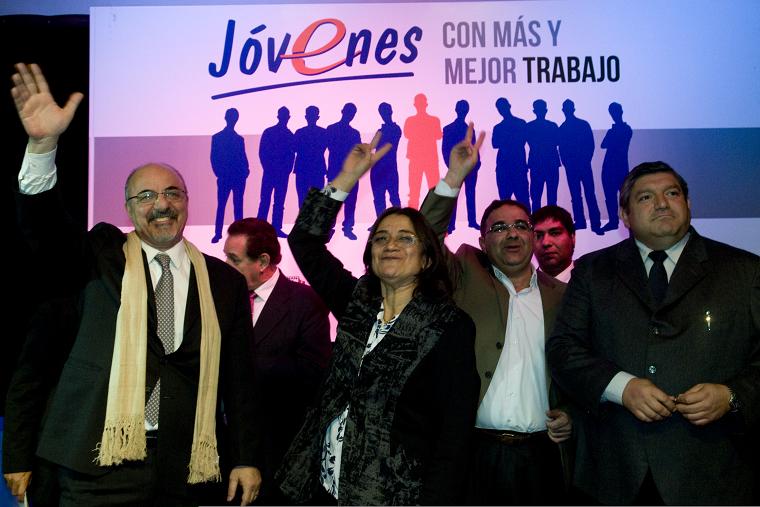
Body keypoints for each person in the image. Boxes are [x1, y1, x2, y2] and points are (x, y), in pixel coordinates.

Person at [10, 63, 261, 506]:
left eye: (172, 193)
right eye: (146, 196)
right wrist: (43, 147)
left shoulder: (223, 281)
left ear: (187, 202)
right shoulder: (99, 257)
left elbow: (239, 379)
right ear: (127, 208)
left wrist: (245, 457)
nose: (161, 204)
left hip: (185, 468)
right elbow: (48, 237)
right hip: (96, 464)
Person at [277, 132, 480, 505]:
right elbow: (303, 241)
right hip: (321, 488)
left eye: (406, 239)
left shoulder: (449, 325)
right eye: (381, 237)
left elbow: (454, 434)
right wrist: (347, 177)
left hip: (393, 496)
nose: (390, 244)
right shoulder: (356, 302)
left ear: (427, 257)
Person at [546, 161, 760, 504]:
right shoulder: (592, 271)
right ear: (625, 215)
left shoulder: (744, 271)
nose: (661, 203)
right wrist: (621, 387)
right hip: (615, 471)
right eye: (646, 197)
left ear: (688, 204)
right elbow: (563, 349)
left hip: (713, 473)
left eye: (672, 193)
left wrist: (731, 396)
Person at [420, 125, 573, 505]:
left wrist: (571, 413)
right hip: (473, 452)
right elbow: (424, 237)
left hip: (542, 455)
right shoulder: (464, 273)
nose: (512, 234)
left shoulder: (564, 297)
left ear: (533, 237)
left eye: (521, 226)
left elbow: (580, 366)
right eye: (499, 227)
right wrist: (455, 176)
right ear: (484, 241)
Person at [222, 217, 332, 504]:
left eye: (234, 259)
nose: (226, 266)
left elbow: (313, 374)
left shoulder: (305, 302)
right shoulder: (221, 296)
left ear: (262, 261)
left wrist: (245, 366)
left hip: (277, 453)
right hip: (224, 451)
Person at [558, 99, 602, 234]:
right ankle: (582, 222)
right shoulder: (566, 127)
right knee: (577, 195)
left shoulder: (577, 125)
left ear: (571, 109)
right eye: (566, 109)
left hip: (582, 165)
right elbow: (562, 149)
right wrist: (567, 163)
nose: (567, 111)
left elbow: (590, 144)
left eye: (568, 108)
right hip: (574, 166)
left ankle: (594, 223)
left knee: (588, 194)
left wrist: (585, 159)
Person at [211, 107, 250, 243]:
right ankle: (218, 233)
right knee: (222, 205)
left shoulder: (239, 139)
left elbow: (243, 156)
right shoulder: (217, 138)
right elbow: (214, 158)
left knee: (238, 205)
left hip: (238, 177)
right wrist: (219, 173)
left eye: (234, 117)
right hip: (225, 177)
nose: (233, 120)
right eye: (232, 117)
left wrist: (246, 170)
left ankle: (238, 233)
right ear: (227, 118)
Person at [441, 99, 480, 233]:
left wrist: (477, 164)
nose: (463, 111)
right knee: (454, 196)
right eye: (462, 109)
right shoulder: (448, 129)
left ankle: (471, 221)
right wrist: (452, 166)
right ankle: (451, 224)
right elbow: (445, 149)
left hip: (470, 168)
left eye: (464, 109)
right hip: (457, 168)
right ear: (457, 110)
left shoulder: (469, 130)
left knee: (470, 193)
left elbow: (474, 149)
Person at [257, 106, 295, 238]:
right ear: (280, 117)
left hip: (279, 173)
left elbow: (291, 155)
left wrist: (287, 170)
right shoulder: (272, 132)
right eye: (283, 115)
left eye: (285, 116)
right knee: (266, 200)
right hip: (271, 172)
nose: (284, 118)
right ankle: (261, 228)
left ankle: (275, 228)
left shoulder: (288, 135)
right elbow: (262, 152)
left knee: (277, 202)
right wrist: (267, 167)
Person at [326, 103, 362, 240]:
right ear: (343, 111)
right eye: (349, 112)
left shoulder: (354, 133)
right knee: (332, 202)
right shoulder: (332, 129)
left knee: (350, 202)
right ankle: (330, 229)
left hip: (349, 173)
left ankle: (347, 228)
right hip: (337, 172)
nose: (350, 115)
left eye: (352, 113)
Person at [403, 93, 442, 209]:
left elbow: (438, 135)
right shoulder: (414, 121)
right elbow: (407, 134)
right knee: (415, 192)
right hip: (418, 159)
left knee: (432, 190)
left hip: (428, 159)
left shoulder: (432, 120)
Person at [599, 102, 633, 232]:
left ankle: (629, 223)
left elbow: (611, 143)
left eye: (615, 112)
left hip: (620, 167)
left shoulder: (626, 129)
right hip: (608, 167)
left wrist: (612, 135)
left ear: (620, 112)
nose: (613, 115)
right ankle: (613, 221)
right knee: (610, 196)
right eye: (612, 113)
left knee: (625, 197)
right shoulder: (613, 130)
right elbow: (603, 144)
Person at [491, 97, 529, 209]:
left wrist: (506, 141)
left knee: (523, 202)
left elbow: (522, 140)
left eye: (502, 107)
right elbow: (494, 143)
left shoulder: (520, 124)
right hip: (506, 168)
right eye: (499, 108)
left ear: (509, 106)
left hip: (516, 167)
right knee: (506, 203)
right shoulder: (500, 127)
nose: (501, 110)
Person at [526, 99, 561, 213]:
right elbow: (557, 142)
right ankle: (548, 220)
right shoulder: (552, 126)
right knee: (547, 197)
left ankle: (539, 220)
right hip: (548, 164)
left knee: (538, 197)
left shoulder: (529, 127)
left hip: (540, 164)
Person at [370, 102, 402, 218]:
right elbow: (372, 146)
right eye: (382, 112)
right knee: (379, 198)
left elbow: (388, 145)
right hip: (378, 169)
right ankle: (380, 222)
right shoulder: (381, 130)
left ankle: (399, 221)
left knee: (394, 197)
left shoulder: (395, 129)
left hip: (389, 168)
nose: (383, 114)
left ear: (390, 112)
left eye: (385, 112)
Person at [531, 205, 576, 282]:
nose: (545, 242)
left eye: (555, 233)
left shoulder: (594, 279)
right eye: (538, 236)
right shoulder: (521, 287)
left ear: (572, 238)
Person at [293, 105, 327, 206]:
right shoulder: (322, 133)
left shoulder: (300, 132)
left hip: (304, 169)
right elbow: (323, 147)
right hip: (315, 169)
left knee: (303, 200)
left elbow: (294, 148)